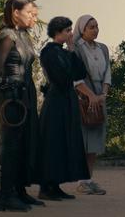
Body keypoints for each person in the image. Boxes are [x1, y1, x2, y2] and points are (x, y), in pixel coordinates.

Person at [0, 0, 43, 211]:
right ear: (15, 12)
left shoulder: (23, 35)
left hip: (22, 96)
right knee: (9, 146)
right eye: (30, 13)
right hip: (9, 96)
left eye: (35, 15)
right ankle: (5, 196)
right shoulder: (7, 35)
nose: (34, 18)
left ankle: (19, 191)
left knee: (22, 144)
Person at [37, 16, 91, 201]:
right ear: (57, 32)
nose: (70, 34)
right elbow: (61, 78)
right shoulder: (48, 52)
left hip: (67, 101)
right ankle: (46, 186)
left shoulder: (65, 52)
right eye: (67, 31)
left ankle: (56, 184)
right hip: (55, 102)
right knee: (53, 142)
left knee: (63, 142)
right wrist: (70, 63)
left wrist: (72, 50)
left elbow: (80, 73)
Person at [72, 15, 110, 195]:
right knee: (82, 138)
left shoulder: (103, 48)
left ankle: (89, 179)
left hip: (99, 96)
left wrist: (103, 94)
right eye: (91, 27)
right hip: (83, 97)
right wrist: (91, 96)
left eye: (97, 26)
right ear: (82, 30)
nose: (95, 30)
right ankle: (81, 180)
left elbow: (108, 72)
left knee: (94, 139)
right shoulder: (76, 49)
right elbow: (76, 77)